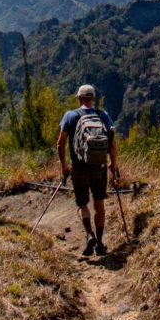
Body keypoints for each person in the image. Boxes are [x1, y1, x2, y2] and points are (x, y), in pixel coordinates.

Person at [57, 84, 120, 256]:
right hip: (99, 167)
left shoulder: (70, 116)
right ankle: (100, 243)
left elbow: (60, 144)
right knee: (99, 204)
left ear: (79, 98)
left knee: (82, 204)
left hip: (78, 168)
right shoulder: (102, 115)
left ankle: (89, 235)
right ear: (93, 99)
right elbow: (112, 144)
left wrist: (64, 166)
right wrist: (113, 165)